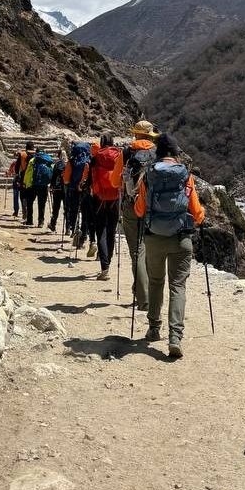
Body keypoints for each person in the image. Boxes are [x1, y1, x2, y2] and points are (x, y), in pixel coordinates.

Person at [134, 132, 205, 359]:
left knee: (156, 282)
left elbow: (139, 210)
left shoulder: (149, 175)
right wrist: (200, 215)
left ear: (158, 153)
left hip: (154, 237)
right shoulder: (185, 176)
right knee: (178, 286)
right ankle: (175, 337)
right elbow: (197, 212)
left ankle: (154, 328)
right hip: (180, 238)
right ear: (175, 152)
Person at [110, 120, 158, 310]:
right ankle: (150, 293)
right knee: (151, 250)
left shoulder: (127, 152)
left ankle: (143, 298)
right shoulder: (158, 152)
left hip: (132, 205)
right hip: (154, 207)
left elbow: (115, 182)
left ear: (136, 134)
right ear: (150, 136)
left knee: (137, 251)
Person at [89, 133, 122, 280]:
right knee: (111, 231)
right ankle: (108, 260)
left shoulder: (96, 157)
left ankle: (104, 267)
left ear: (102, 143)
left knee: (100, 230)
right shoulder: (119, 156)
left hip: (99, 197)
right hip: (115, 197)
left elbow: (91, 177)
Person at [63, 141, 92, 247]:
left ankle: (74, 229)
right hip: (86, 190)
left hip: (74, 190)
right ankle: (84, 234)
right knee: (86, 213)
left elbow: (66, 180)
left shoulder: (71, 161)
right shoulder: (89, 161)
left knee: (74, 210)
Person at [30, 148, 55, 227]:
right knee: (41, 204)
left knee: (30, 202)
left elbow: (30, 171)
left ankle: (29, 219)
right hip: (44, 185)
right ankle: (41, 222)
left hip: (35, 184)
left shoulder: (34, 159)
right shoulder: (48, 159)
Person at [6, 144, 33, 219]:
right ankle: (25, 212)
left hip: (18, 179)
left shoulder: (14, 163)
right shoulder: (31, 157)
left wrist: (8, 174)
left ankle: (17, 211)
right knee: (26, 196)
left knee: (17, 196)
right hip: (29, 179)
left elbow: (11, 172)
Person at [48, 149, 67, 233]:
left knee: (56, 208)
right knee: (67, 208)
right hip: (66, 189)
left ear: (59, 155)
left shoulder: (57, 164)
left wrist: (51, 186)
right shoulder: (68, 164)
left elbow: (53, 177)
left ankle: (53, 224)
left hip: (57, 189)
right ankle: (68, 228)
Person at [18, 141, 37, 226]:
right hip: (34, 180)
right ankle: (33, 219)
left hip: (24, 179)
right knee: (31, 200)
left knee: (23, 197)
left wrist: (17, 175)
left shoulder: (22, 155)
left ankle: (25, 215)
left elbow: (17, 167)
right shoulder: (37, 156)